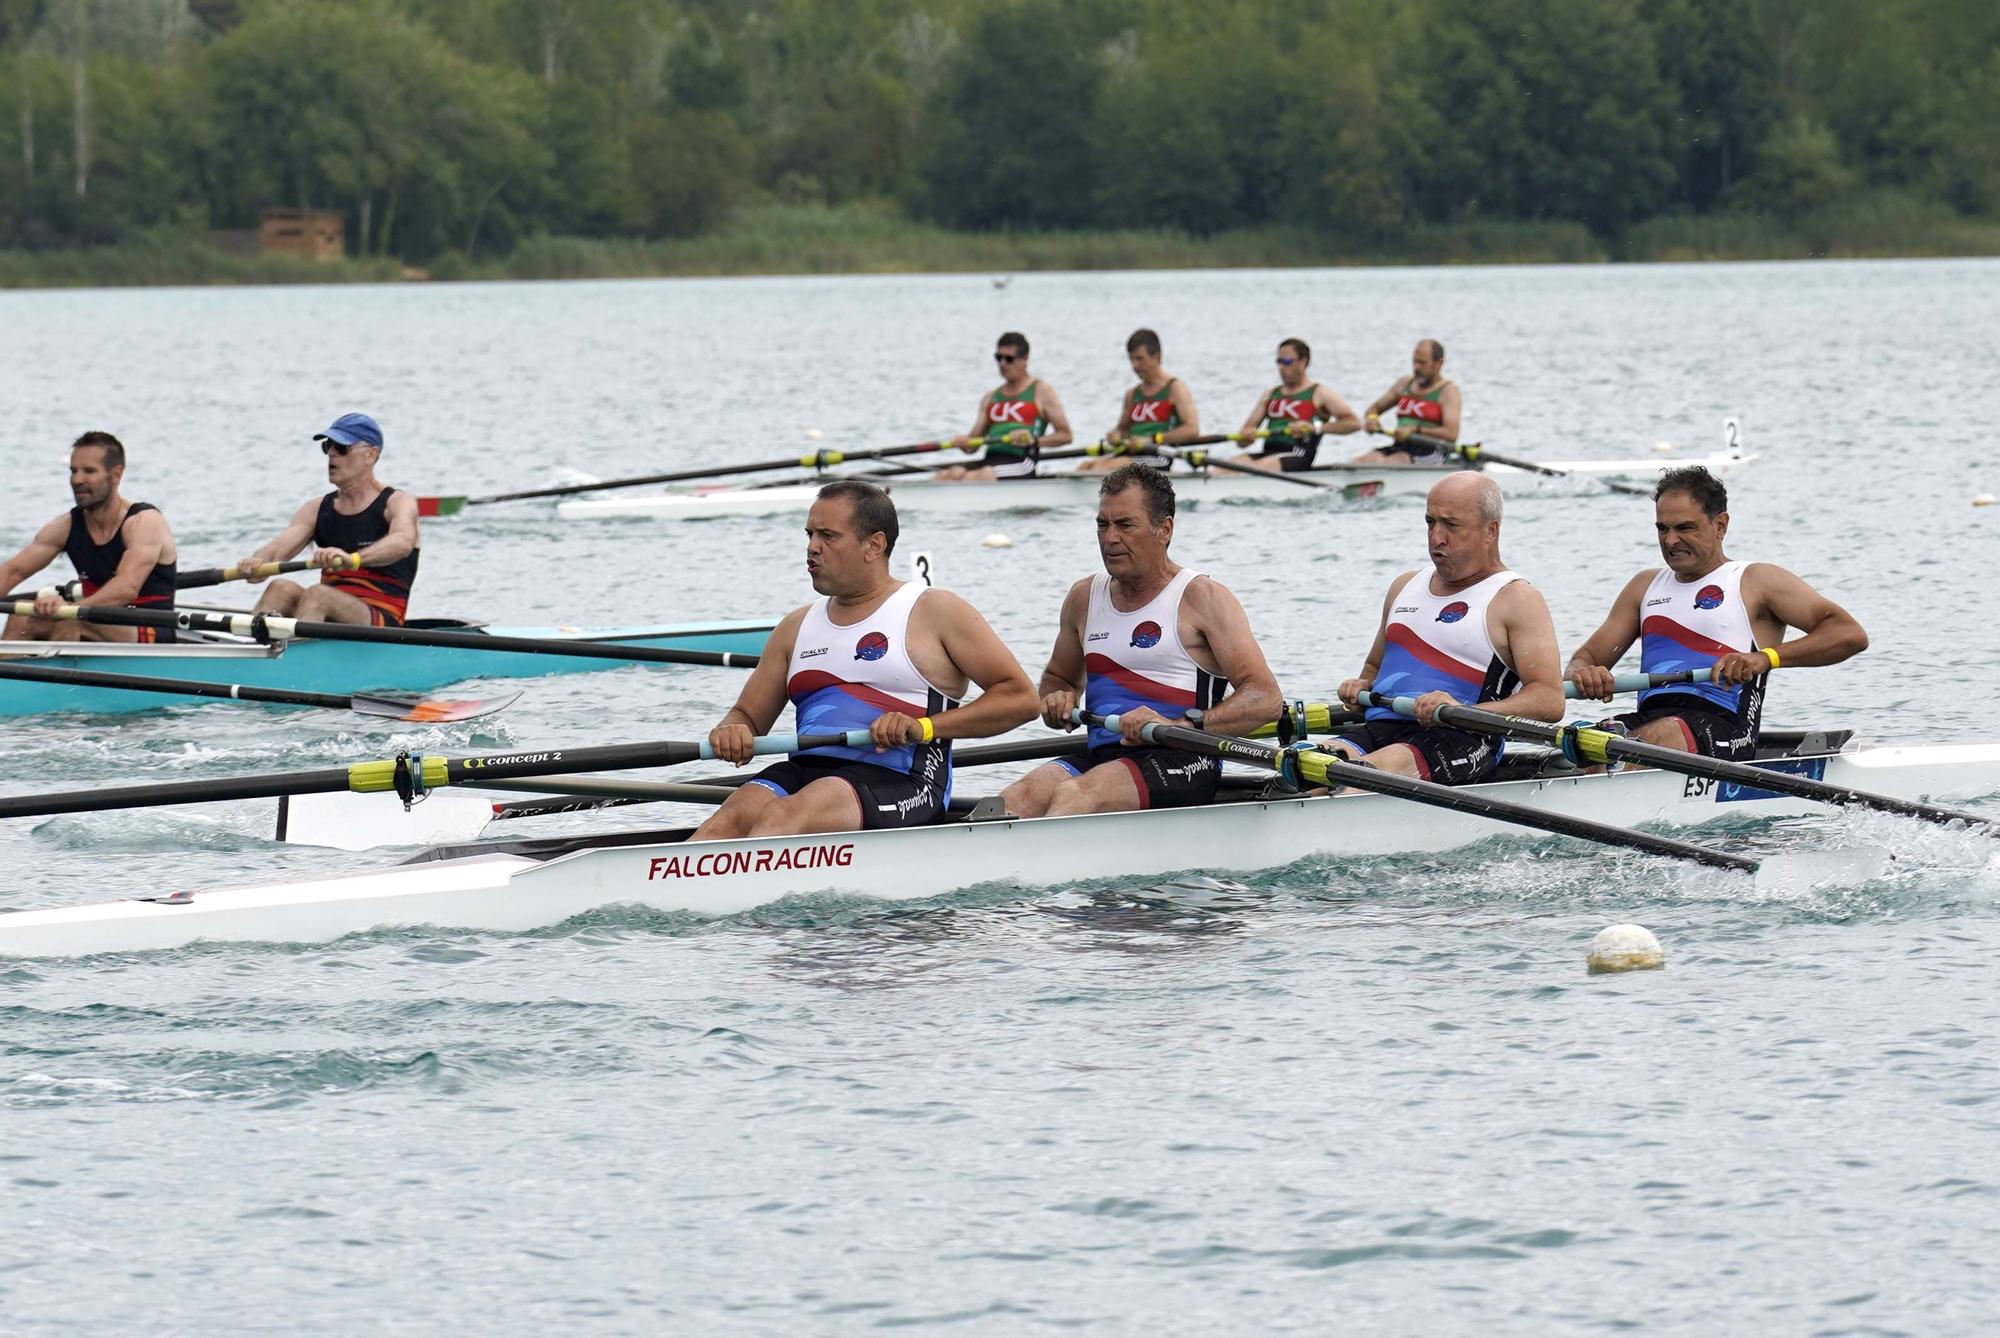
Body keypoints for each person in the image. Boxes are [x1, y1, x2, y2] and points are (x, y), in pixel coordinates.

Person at [692, 481, 1037, 839]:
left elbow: (1022, 699)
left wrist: (925, 727)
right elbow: (748, 715)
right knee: (728, 820)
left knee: (781, 817)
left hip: (904, 781)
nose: (812, 548)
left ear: (874, 545)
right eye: (809, 534)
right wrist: (733, 729)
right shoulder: (795, 627)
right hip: (807, 772)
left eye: (828, 536)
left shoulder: (935, 611)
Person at [1000, 464, 1282, 817]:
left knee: (1076, 796)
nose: (1110, 538)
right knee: (1013, 801)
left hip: (1184, 757)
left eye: (1125, 525)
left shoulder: (1202, 598)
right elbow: (1059, 677)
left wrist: (1183, 725)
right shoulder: (1083, 597)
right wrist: (1058, 698)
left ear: (1164, 529)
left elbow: (1265, 698)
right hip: (1104, 753)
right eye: (1102, 525)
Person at [1566, 465, 1867, 760]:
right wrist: (1586, 673)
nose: (1670, 541)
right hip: (1650, 724)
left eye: (1685, 528)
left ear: (1720, 525)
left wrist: (1764, 658)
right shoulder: (1644, 586)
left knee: (1650, 739)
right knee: (1587, 743)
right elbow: (1585, 658)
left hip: (1726, 730)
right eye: (1662, 528)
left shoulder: (1755, 581)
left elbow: (1848, 633)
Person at [1332, 473, 1563, 782]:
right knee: (1307, 764)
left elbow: (1549, 699)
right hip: (1380, 728)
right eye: (1430, 522)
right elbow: (1374, 667)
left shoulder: (1516, 599)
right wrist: (1360, 686)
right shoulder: (1404, 586)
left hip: (1460, 738)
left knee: (1359, 775)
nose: (1436, 538)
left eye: (1451, 526)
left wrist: (1460, 708)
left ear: (1490, 531)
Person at [237, 413, 421, 626]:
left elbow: (402, 542)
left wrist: (353, 559)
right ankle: (249, 653)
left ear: (370, 455)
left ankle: (297, 654)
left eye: (341, 448)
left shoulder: (397, 502)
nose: (332, 454)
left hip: (381, 620)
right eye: (328, 446)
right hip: (330, 614)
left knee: (319, 595)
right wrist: (256, 564)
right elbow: (277, 550)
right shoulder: (316, 509)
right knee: (280, 588)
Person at [0, 431, 179, 644]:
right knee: (21, 617)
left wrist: (71, 609)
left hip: (149, 628)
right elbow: (13, 572)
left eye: (89, 471)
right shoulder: (65, 526)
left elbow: (126, 588)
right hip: (94, 618)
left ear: (116, 475)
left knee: (70, 619)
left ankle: (60, 673)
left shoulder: (144, 523)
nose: (77, 479)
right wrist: (69, 610)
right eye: (73, 471)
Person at [934, 332, 1075, 482]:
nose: (1002, 364)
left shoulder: (1042, 391)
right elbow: (972, 446)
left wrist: (1034, 441)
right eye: (998, 358)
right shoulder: (990, 398)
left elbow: (1066, 436)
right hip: (990, 460)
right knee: (948, 475)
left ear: (1025, 359)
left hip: (1021, 461)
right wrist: (963, 443)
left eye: (1008, 359)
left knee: (982, 475)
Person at [1076, 328, 1201, 473]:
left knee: (1104, 468)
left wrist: (1151, 439)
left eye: (1139, 359)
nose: (1134, 366)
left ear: (1157, 357)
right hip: (1130, 454)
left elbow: (1192, 430)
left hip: (1158, 455)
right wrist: (1116, 435)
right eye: (1131, 359)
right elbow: (1122, 429)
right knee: (1085, 466)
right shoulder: (1132, 394)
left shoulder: (1175, 388)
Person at [1233, 337, 1363, 472]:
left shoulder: (1320, 393)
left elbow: (1354, 424)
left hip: (1297, 455)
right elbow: (1241, 441)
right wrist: (1246, 437)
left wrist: (1314, 428)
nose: (1281, 367)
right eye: (1278, 362)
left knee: (1258, 468)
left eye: (1287, 362)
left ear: (1303, 362)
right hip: (1268, 454)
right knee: (1226, 467)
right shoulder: (1270, 394)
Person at [1350, 339, 1461, 465]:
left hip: (1432, 452)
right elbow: (1374, 408)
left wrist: (1415, 429)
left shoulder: (1448, 392)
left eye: (1422, 363)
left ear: (1439, 364)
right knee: (1359, 462)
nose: (1416, 367)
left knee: (1390, 462)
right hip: (1401, 447)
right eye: (1414, 362)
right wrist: (1372, 419)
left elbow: (1451, 434)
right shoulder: (1403, 384)